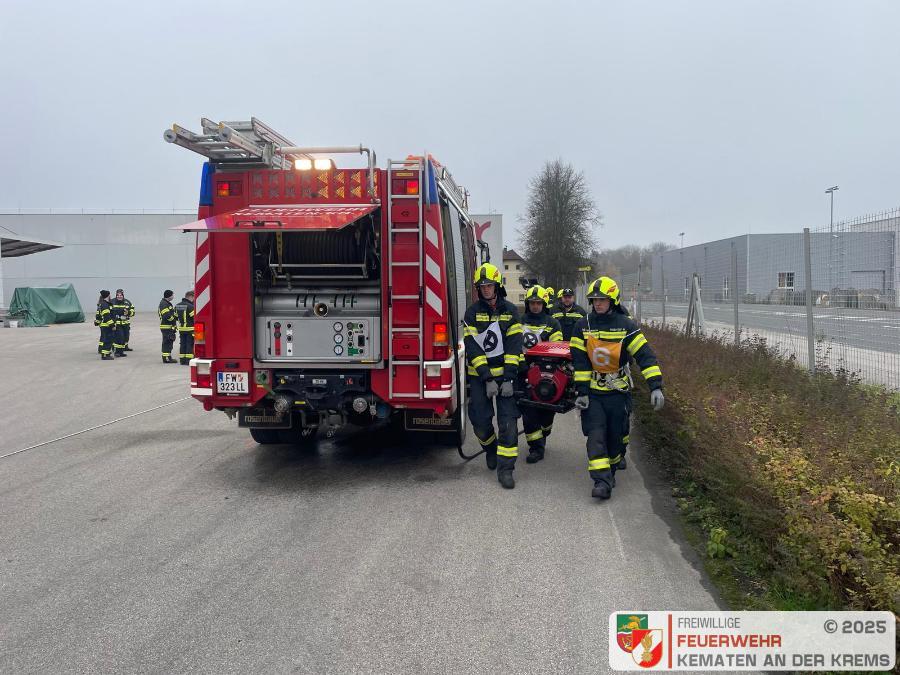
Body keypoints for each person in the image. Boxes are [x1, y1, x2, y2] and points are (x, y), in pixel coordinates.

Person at [569, 276, 664, 500]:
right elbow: (580, 362)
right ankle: (601, 481)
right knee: (595, 435)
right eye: (594, 300)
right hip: (594, 393)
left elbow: (645, 356)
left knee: (615, 438)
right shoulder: (582, 326)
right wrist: (582, 392)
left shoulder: (626, 325)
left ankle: (610, 471)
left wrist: (655, 386)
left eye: (602, 299)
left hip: (618, 393)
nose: (597, 303)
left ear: (613, 300)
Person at [463, 262, 523, 489]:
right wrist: (487, 378)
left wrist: (508, 379)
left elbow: (514, 346)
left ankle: (506, 470)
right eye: (482, 286)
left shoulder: (510, 311)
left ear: (497, 286)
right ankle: (490, 448)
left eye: (489, 285)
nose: (486, 289)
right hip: (480, 378)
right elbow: (472, 347)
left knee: (508, 423)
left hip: (506, 377)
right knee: (479, 420)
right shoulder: (472, 313)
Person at [518, 285, 563, 464]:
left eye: (538, 303)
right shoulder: (519, 321)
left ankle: (544, 433)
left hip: (545, 374)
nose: (535, 306)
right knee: (528, 412)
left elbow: (557, 349)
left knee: (547, 414)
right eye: (532, 303)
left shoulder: (552, 323)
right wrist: (522, 364)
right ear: (528, 304)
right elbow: (513, 344)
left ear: (544, 304)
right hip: (523, 371)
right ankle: (535, 448)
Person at [175, 290, 195, 365]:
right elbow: (194, 318)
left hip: (181, 329)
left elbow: (175, 317)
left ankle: (182, 360)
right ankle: (188, 360)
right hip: (190, 329)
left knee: (183, 344)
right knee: (189, 344)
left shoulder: (177, 305)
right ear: (190, 296)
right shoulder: (190, 306)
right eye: (193, 297)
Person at [94, 290, 115, 360]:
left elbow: (99, 315)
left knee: (106, 339)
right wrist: (112, 325)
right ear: (108, 296)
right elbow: (107, 316)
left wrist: (97, 321)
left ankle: (106, 353)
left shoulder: (103, 304)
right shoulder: (105, 305)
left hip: (104, 325)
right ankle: (105, 355)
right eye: (109, 295)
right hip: (107, 326)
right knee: (108, 340)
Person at [158, 290, 178, 364]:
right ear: (169, 295)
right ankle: (166, 358)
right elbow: (166, 316)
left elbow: (170, 314)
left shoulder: (166, 303)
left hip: (168, 327)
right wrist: (173, 320)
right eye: (172, 295)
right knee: (167, 342)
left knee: (169, 342)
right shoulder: (164, 304)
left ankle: (168, 357)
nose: (173, 296)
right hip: (166, 327)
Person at [110, 290, 129, 357]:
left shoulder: (127, 302)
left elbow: (132, 311)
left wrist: (129, 312)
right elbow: (109, 312)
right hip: (117, 324)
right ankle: (117, 352)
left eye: (120, 295)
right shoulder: (112, 302)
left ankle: (121, 352)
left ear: (123, 295)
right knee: (119, 337)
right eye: (118, 295)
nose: (119, 296)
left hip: (125, 324)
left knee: (125, 338)